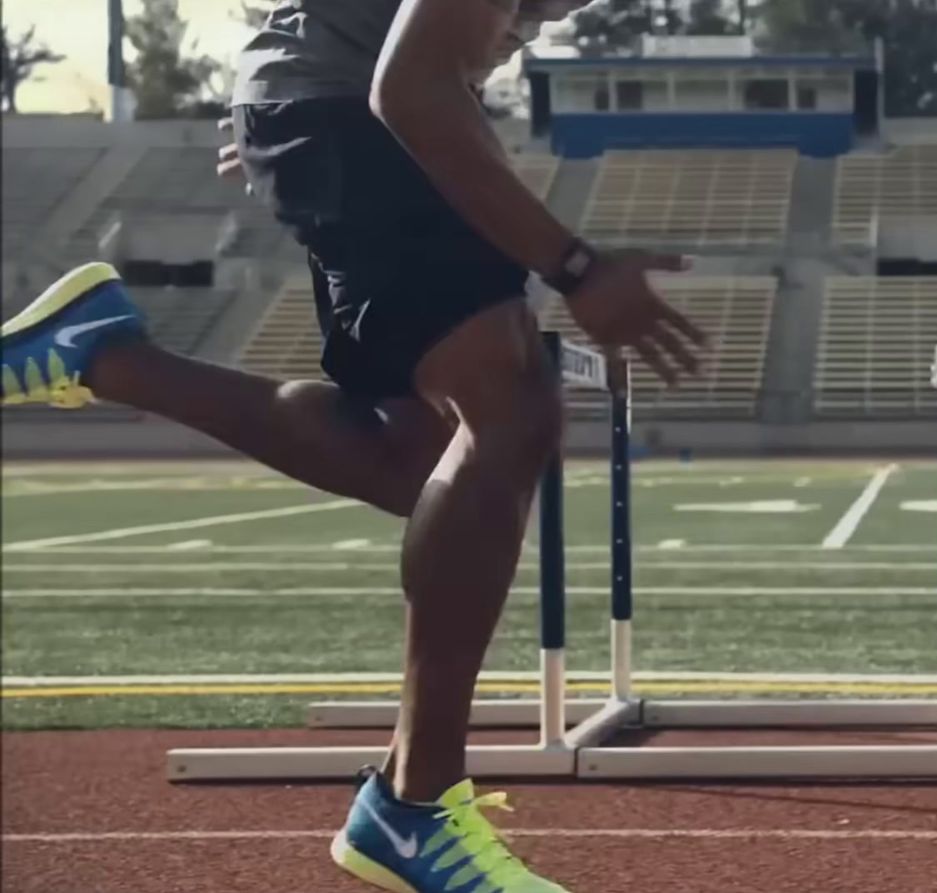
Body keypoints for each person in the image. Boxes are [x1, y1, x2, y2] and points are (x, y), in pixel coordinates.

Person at [0, 1, 704, 890]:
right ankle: (413, 806)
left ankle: (103, 355)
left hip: (332, 98)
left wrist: (286, 99)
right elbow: (411, 86)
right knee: (509, 403)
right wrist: (577, 268)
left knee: (419, 461)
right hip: (354, 102)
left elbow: (438, 50)